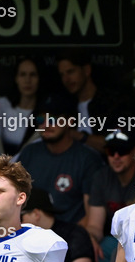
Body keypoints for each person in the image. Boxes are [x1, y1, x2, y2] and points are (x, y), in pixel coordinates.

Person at [17, 95, 104, 226]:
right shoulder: (29, 152)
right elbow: (15, 200)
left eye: (53, 119)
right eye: (41, 119)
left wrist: (71, 235)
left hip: (72, 233)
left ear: (70, 121)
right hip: (30, 231)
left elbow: (91, 217)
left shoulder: (88, 159)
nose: (46, 125)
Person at [86, 130, 135, 262]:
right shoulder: (101, 177)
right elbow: (94, 226)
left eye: (122, 151)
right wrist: (90, 239)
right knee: (83, 252)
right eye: (111, 151)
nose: (116, 156)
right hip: (111, 241)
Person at [56, 49, 126, 153]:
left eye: (71, 72)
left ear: (86, 70)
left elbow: (116, 143)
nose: (66, 79)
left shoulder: (112, 102)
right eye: (62, 75)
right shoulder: (65, 106)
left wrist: (78, 136)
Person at [0, 57, 42, 160]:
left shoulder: (45, 111)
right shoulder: (1, 104)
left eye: (33, 75)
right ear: (16, 78)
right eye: (23, 74)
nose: (27, 80)